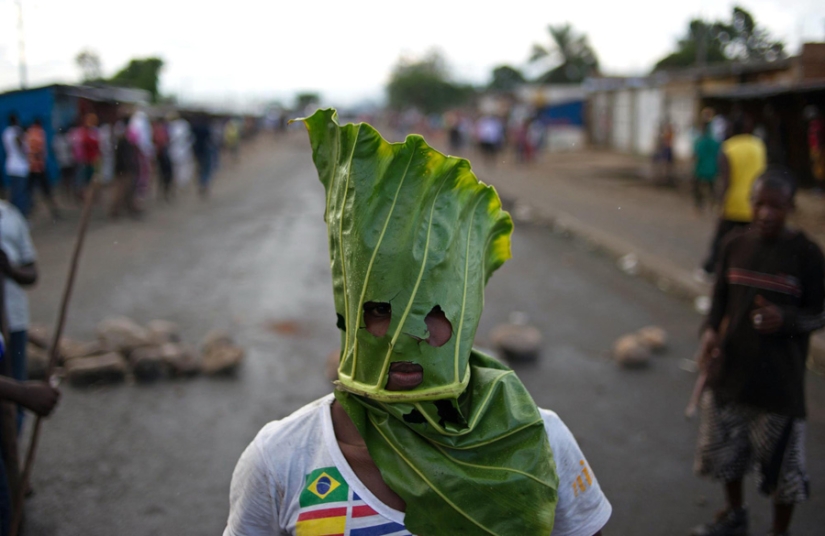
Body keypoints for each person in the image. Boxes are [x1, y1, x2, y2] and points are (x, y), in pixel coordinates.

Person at [224, 109, 611, 536]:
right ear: (350, 312)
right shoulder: (282, 459)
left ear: (465, 313)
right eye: (380, 310)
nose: (408, 333)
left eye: (433, 314)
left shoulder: (537, 440)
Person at [692, 169, 823, 536]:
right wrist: (709, 335)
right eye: (760, 204)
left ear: (791, 207)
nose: (766, 213)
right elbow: (719, 302)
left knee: (784, 472)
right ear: (750, 203)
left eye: (776, 206)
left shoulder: (807, 254)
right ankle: (735, 515)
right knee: (726, 459)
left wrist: (787, 319)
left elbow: (820, 312)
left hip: (779, 387)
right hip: (730, 376)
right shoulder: (735, 244)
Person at [700, 116, 766, 276]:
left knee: (722, 239)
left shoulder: (728, 147)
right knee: (753, 240)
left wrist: (720, 202)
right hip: (755, 203)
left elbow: (726, 180)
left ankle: (710, 269)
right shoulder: (759, 145)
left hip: (734, 203)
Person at [0, 198, 38, 431]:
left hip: (13, 320)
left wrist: (10, 269)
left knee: (15, 407)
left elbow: (32, 273)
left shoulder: (10, 215)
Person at [25, 118, 60, 219]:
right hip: (38, 167)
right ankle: (54, 211)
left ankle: (29, 211)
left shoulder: (29, 133)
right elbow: (37, 150)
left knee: (30, 191)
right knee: (46, 191)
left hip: (32, 167)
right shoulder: (38, 133)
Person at [2, 115, 30, 218]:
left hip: (11, 166)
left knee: (15, 193)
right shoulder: (17, 131)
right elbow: (19, 144)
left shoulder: (6, 132)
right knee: (21, 195)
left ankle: (13, 217)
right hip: (20, 167)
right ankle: (21, 218)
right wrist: (24, 153)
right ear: (16, 120)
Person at [693, 121, 721, 211]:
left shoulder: (700, 142)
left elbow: (697, 155)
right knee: (712, 188)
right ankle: (713, 204)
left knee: (697, 187)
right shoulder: (715, 143)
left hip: (701, 168)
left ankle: (699, 205)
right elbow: (719, 156)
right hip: (712, 168)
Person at [153, 119, 173, 201]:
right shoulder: (157, 131)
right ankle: (162, 193)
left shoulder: (161, 130)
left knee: (165, 175)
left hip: (161, 154)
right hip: (160, 155)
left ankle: (164, 192)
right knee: (163, 175)